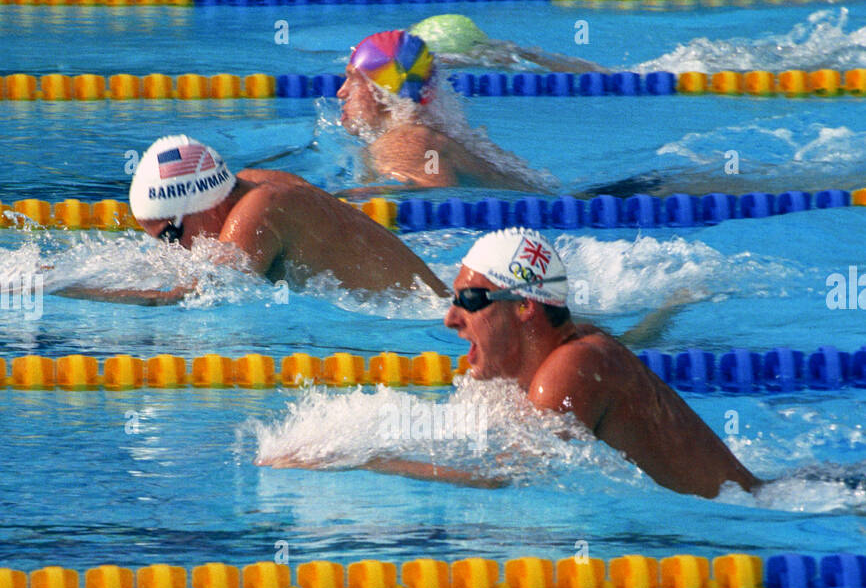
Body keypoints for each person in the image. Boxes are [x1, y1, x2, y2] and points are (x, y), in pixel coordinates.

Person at [262, 228, 758, 500]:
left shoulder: (573, 367)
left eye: (471, 300)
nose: (450, 318)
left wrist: (358, 459)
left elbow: (504, 475)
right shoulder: (556, 355)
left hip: (754, 518)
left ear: (524, 306)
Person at [57, 135, 448, 304]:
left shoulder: (259, 210)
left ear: (207, 206)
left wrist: (62, 286)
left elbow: (191, 296)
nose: (171, 250)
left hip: (424, 316)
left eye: (172, 235)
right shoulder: (248, 186)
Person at [337, 29, 558, 192]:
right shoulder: (418, 137)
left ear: (383, 93)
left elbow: (438, 200)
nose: (341, 92)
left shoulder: (405, 141)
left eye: (353, 80)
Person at [409, 12, 607, 75]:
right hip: (475, 42)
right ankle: (607, 72)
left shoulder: (438, 57)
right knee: (521, 54)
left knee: (509, 59)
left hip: (466, 48)